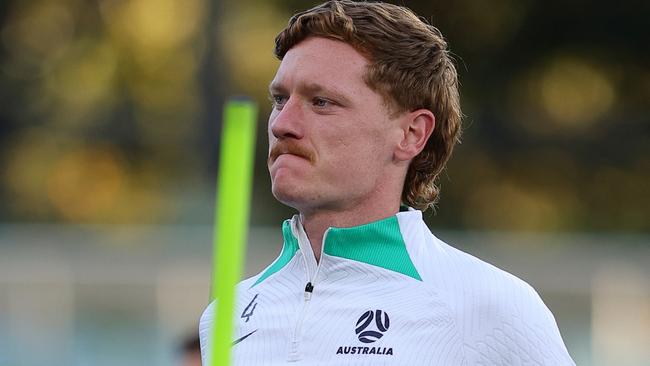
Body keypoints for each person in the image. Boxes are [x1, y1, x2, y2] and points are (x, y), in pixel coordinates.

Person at [200, 1, 575, 364]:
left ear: (412, 133)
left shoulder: (488, 306)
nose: (283, 124)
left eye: (322, 102)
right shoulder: (223, 316)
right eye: (280, 99)